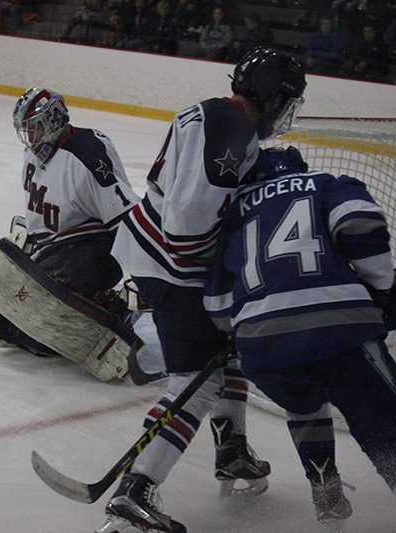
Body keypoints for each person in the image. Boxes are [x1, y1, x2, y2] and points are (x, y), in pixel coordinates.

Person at [97, 47, 307, 533]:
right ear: (274, 97)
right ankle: (136, 488)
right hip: (171, 264)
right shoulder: (230, 128)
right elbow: (187, 229)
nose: (285, 112)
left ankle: (232, 451)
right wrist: (220, 284)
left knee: (228, 354)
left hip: (158, 254)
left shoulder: (219, 115)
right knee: (197, 381)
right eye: (287, 101)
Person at [204, 146, 396, 532]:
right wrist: (381, 286)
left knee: (304, 400)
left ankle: (325, 491)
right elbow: (361, 223)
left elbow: (216, 305)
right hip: (340, 334)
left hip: (262, 349)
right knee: (389, 434)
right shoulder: (326, 184)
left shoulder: (234, 214)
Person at [0, 86, 141, 357]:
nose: (30, 137)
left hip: (97, 249)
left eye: (35, 127)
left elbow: (126, 219)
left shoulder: (88, 153)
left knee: (54, 295)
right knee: (17, 313)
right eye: (26, 129)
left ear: (54, 121)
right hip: (56, 248)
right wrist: (31, 240)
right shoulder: (32, 154)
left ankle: (116, 315)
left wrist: (141, 280)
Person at [344, 16, 389, 80]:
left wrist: (367, 63)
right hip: (360, 72)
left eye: (371, 31)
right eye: (366, 31)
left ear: (375, 31)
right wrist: (356, 66)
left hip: (375, 73)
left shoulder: (381, 44)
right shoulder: (360, 43)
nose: (368, 34)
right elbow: (355, 56)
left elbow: (382, 62)